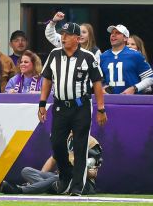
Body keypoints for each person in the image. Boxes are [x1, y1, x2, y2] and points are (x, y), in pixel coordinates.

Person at [37, 20, 107, 196]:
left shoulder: (88, 57)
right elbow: (47, 79)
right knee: (57, 143)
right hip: (60, 105)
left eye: (68, 35)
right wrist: (42, 104)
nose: (64, 37)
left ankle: (77, 187)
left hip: (81, 106)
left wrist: (101, 109)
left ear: (78, 39)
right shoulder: (54, 55)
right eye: (62, 34)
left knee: (80, 145)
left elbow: (97, 83)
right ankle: (66, 174)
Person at [97, 24, 153, 94]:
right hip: (109, 102)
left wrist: (134, 88)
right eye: (112, 33)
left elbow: (151, 78)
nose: (113, 35)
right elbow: (96, 79)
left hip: (131, 102)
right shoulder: (103, 56)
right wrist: (101, 88)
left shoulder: (135, 55)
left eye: (117, 33)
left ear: (125, 38)